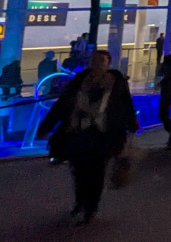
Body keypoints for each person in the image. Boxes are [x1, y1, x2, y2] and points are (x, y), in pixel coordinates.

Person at [37, 49, 138, 224]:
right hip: (79, 131)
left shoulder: (116, 83)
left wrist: (131, 124)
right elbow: (63, 104)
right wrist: (47, 125)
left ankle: (91, 208)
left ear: (108, 63)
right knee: (79, 170)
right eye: (95, 60)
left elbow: (125, 104)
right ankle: (81, 201)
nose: (97, 64)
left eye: (102, 61)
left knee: (96, 171)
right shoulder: (80, 81)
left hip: (103, 133)